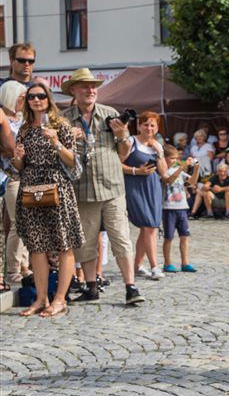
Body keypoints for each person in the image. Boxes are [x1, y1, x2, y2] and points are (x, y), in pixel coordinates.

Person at [61, 69, 144, 307]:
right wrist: (67, 138)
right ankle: (91, 286)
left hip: (111, 187)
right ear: (74, 90)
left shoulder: (110, 114)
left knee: (121, 238)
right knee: (86, 241)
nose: (91, 90)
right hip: (82, 188)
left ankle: (130, 287)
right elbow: (57, 151)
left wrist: (122, 135)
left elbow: (124, 153)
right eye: (85, 86)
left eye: (93, 86)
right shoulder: (64, 119)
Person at [11, 81, 82, 318]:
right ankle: (41, 299)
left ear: (48, 99)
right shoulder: (24, 130)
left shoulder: (61, 126)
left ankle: (60, 299)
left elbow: (73, 161)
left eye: (41, 96)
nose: (36, 100)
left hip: (57, 187)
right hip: (31, 188)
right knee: (36, 246)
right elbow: (19, 167)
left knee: (63, 243)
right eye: (32, 97)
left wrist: (57, 143)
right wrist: (17, 158)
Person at [122, 111, 168, 280]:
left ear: (157, 128)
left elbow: (164, 172)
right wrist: (136, 171)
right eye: (146, 124)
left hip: (153, 187)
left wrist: (160, 152)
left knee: (149, 227)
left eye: (152, 125)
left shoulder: (157, 145)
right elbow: (117, 163)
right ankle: (155, 266)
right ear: (139, 126)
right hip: (134, 186)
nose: (149, 128)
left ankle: (138, 265)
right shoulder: (131, 142)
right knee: (149, 226)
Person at [1, 77, 30, 291]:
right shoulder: (4, 117)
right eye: (22, 97)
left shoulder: (22, 118)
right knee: (17, 222)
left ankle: (24, 265)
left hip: (23, 174)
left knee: (25, 221)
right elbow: (10, 149)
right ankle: (12, 269)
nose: (25, 101)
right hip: (9, 175)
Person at [160, 145, 199, 273]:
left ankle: (185, 263)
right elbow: (169, 181)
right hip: (168, 208)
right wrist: (182, 166)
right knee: (168, 238)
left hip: (182, 207)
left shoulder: (179, 171)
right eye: (172, 158)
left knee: (184, 236)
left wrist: (196, 168)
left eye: (176, 158)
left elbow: (192, 182)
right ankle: (167, 263)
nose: (175, 161)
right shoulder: (164, 171)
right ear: (164, 159)